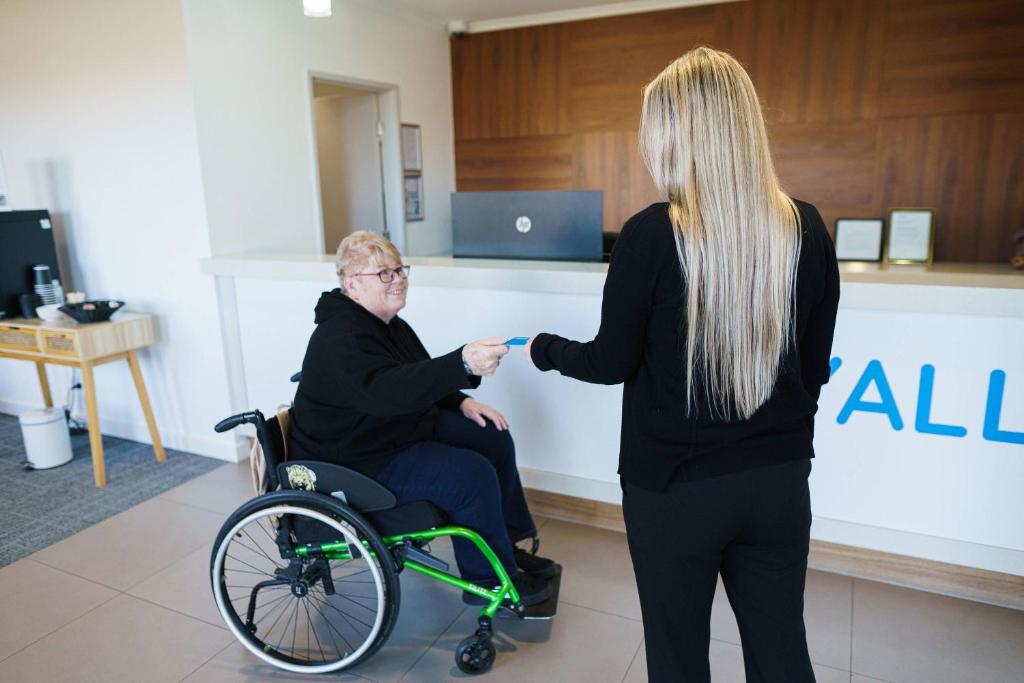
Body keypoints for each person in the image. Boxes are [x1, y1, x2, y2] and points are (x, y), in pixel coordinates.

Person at [524, 47, 840, 681]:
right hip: (777, 482)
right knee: (782, 651)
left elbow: (611, 362)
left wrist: (545, 350)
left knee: (677, 656)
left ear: (674, 136)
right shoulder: (805, 227)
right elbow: (814, 370)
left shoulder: (650, 235)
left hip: (674, 489)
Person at [289, 230, 556, 606]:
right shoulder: (340, 336)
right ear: (352, 284)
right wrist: (462, 361)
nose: (398, 279)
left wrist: (461, 401)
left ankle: (506, 549)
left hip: (389, 433)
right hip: (357, 458)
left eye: (400, 270)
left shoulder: (386, 324)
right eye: (384, 273)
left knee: (489, 435)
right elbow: (387, 392)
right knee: (470, 474)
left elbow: (416, 374)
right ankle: (492, 582)